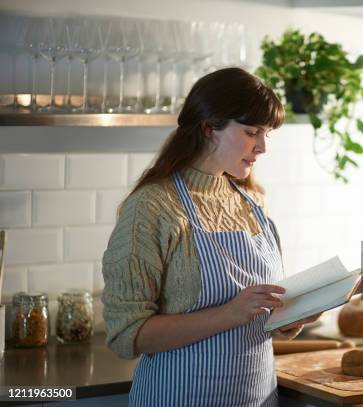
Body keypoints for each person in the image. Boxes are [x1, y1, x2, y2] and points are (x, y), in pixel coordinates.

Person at [101, 67, 319, 406]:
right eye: (251, 132)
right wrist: (228, 314)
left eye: (266, 134)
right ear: (208, 128)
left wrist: (289, 320)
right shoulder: (152, 207)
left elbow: (255, 321)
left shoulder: (251, 200)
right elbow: (126, 334)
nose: (262, 147)